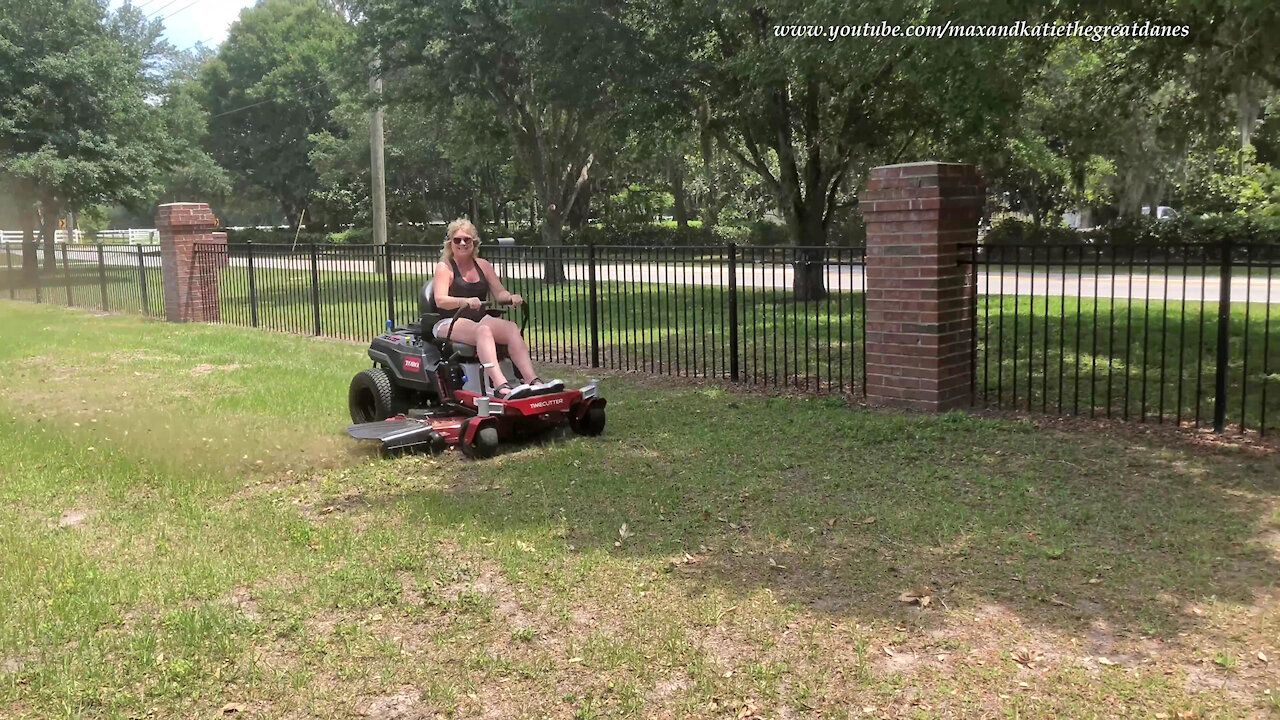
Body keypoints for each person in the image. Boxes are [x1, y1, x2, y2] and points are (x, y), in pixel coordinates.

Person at [431, 219, 563, 399]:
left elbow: (499, 293)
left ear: (474, 243)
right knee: (483, 331)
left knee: (510, 328)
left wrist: (510, 297)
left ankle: (533, 381)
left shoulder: (483, 265)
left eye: (467, 240)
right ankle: (501, 386)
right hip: (450, 321)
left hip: (479, 319)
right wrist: (465, 301)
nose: (462, 243)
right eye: (457, 240)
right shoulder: (445, 267)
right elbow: (440, 300)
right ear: (450, 244)